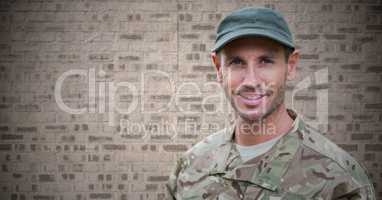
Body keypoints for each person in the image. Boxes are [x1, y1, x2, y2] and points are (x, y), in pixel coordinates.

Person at [166, 7, 376, 200]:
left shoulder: (341, 182)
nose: (251, 81)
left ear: (290, 66)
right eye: (236, 62)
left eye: (266, 61)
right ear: (218, 68)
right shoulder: (189, 168)